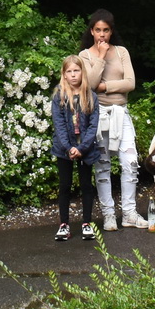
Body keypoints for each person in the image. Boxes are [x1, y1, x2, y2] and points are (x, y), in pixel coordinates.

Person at [79, 10, 146, 230]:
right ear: (92, 31)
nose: (102, 35)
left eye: (105, 30)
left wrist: (106, 87)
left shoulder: (122, 52)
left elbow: (130, 82)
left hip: (121, 111)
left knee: (130, 161)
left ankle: (129, 212)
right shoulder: (85, 56)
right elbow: (89, 84)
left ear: (111, 31)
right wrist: (99, 57)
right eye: (98, 30)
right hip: (99, 114)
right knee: (103, 165)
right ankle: (109, 214)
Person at [51, 55, 102, 241]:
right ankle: (64, 224)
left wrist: (81, 148)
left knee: (86, 186)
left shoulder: (91, 96)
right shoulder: (59, 96)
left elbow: (93, 126)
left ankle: (86, 223)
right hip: (64, 149)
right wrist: (69, 148)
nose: (73, 75)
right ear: (64, 75)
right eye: (69, 71)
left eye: (76, 71)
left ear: (82, 72)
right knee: (65, 186)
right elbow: (59, 125)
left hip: (85, 148)